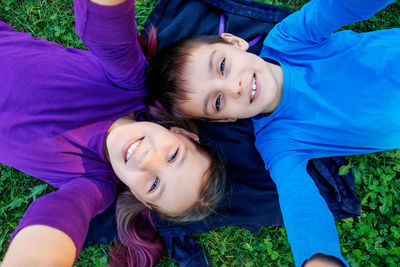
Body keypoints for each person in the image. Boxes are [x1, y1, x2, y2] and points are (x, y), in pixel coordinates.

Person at [145, 0, 400, 266]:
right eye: (218, 102)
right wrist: (318, 259)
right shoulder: (277, 143)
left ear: (234, 42)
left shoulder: (289, 38)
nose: (235, 87)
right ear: (227, 119)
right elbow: (299, 202)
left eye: (222, 66)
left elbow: (338, 8)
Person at [0, 0, 226, 266]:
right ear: (182, 133)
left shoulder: (93, 185)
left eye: (154, 185)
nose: (147, 160)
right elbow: (105, 27)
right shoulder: (131, 85)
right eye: (173, 156)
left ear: (142, 199)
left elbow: (59, 217)